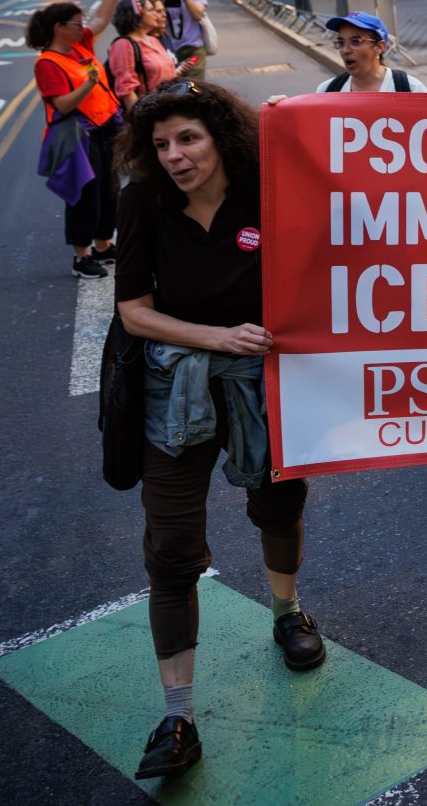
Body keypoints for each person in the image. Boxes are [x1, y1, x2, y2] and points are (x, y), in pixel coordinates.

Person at [113, 82, 321, 781]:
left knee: (278, 503)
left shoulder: (270, 184)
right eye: (163, 143)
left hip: (263, 385)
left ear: (221, 137)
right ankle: (179, 716)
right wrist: (217, 336)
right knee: (170, 548)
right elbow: (134, 311)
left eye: (189, 139)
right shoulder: (142, 197)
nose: (175, 155)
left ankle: (287, 612)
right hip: (174, 392)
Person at [28, 0, 127, 279]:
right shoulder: (48, 63)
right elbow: (63, 105)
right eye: (76, 22)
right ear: (60, 28)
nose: (83, 27)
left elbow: (102, 17)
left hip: (106, 127)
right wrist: (90, 84)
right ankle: (81, 257)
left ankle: (103, 245)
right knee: (86, 195)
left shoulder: (80, 44)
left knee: (110, 191)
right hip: (80, 137)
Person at [319, 13, 425, 92]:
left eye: (355, 41)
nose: (345, 50)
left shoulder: (412, 89)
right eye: (341, 42)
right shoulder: (327, 90)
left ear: (379, 47)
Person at [109, 0, 180, 113]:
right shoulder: (123, 45)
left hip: (170, 108)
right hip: (150, 112)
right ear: (138, 15)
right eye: (151, 10)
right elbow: (126, 90)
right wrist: (140, 118)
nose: (156, 15)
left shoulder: (153, 40)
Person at [159, 0, 211, 81]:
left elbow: (197, 15)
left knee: (194, 89)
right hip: (171, 51)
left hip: (194, 48)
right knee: (176, 89)